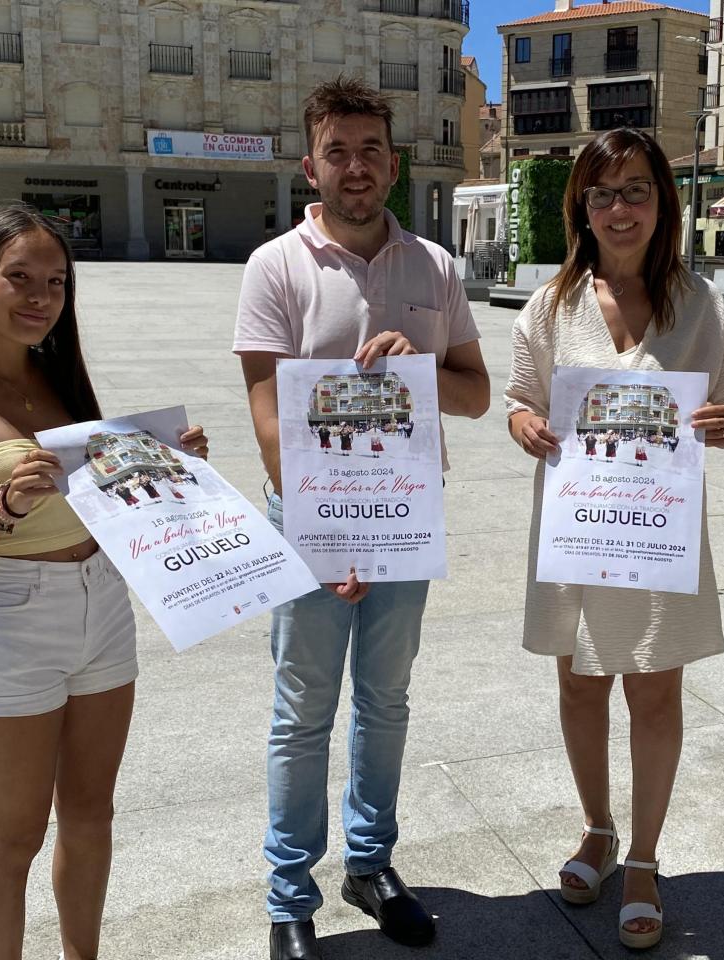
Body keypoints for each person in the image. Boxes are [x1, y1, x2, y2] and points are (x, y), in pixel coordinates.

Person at [0, 205, 209, 960]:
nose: (41, 297)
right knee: (15, 833)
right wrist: (2, 506)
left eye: (57, 282)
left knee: (92, 814)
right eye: (20, 278)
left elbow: (102, 498)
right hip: (13, 616)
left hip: (103, 604)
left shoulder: (59, 379)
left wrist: (172, 464)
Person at [233, 77, 492, 960]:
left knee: (386, 702)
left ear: (393, 160)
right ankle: (288, 897)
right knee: (302, 710)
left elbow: (476, 394)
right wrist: (321, 532)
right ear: (312, 163)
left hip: (405, 518)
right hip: (310, 518)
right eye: (337, 151)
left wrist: (423, 363)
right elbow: (267, 412)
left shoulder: (434, 265)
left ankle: (371, 865)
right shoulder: (276, 266)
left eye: (370, 150)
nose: (355, 167)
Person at [504, 127, 724, 952]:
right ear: (582, 207)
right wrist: (526, 423)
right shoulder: (551, 304)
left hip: (655, 535)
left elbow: (719, 414)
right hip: (577, 528)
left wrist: (719, 423)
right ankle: (597, 829)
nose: (619, 208)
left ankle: (642, 857)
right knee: (578, 687)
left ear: (663, 202)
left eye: (637, 189)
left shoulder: (700, 303)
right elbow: (523, 400)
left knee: (654, 692)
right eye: (602, 193)